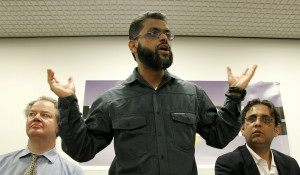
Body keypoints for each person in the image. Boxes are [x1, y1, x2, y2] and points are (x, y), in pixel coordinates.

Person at [47, 12, 257, 175]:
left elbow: (218, 137)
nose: (164, 38)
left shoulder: (192, 94)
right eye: (154, 33)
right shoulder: (111, 100)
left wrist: (236, 94)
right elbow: (81, 150)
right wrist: (67, 101)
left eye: (167, 34)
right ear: (133, 45)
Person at [0, 96, 84, 175]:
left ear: (58, 126)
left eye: (45, 115)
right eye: (32, 114)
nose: (36, 118)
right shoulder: (2, 163)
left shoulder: (72, 172)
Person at [215, 99, 300, 175]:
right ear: (243, 129)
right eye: (252, 119)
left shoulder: (291, 164)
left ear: (276, 130)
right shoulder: (227, 163)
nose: (257, 123)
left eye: (266, 119)